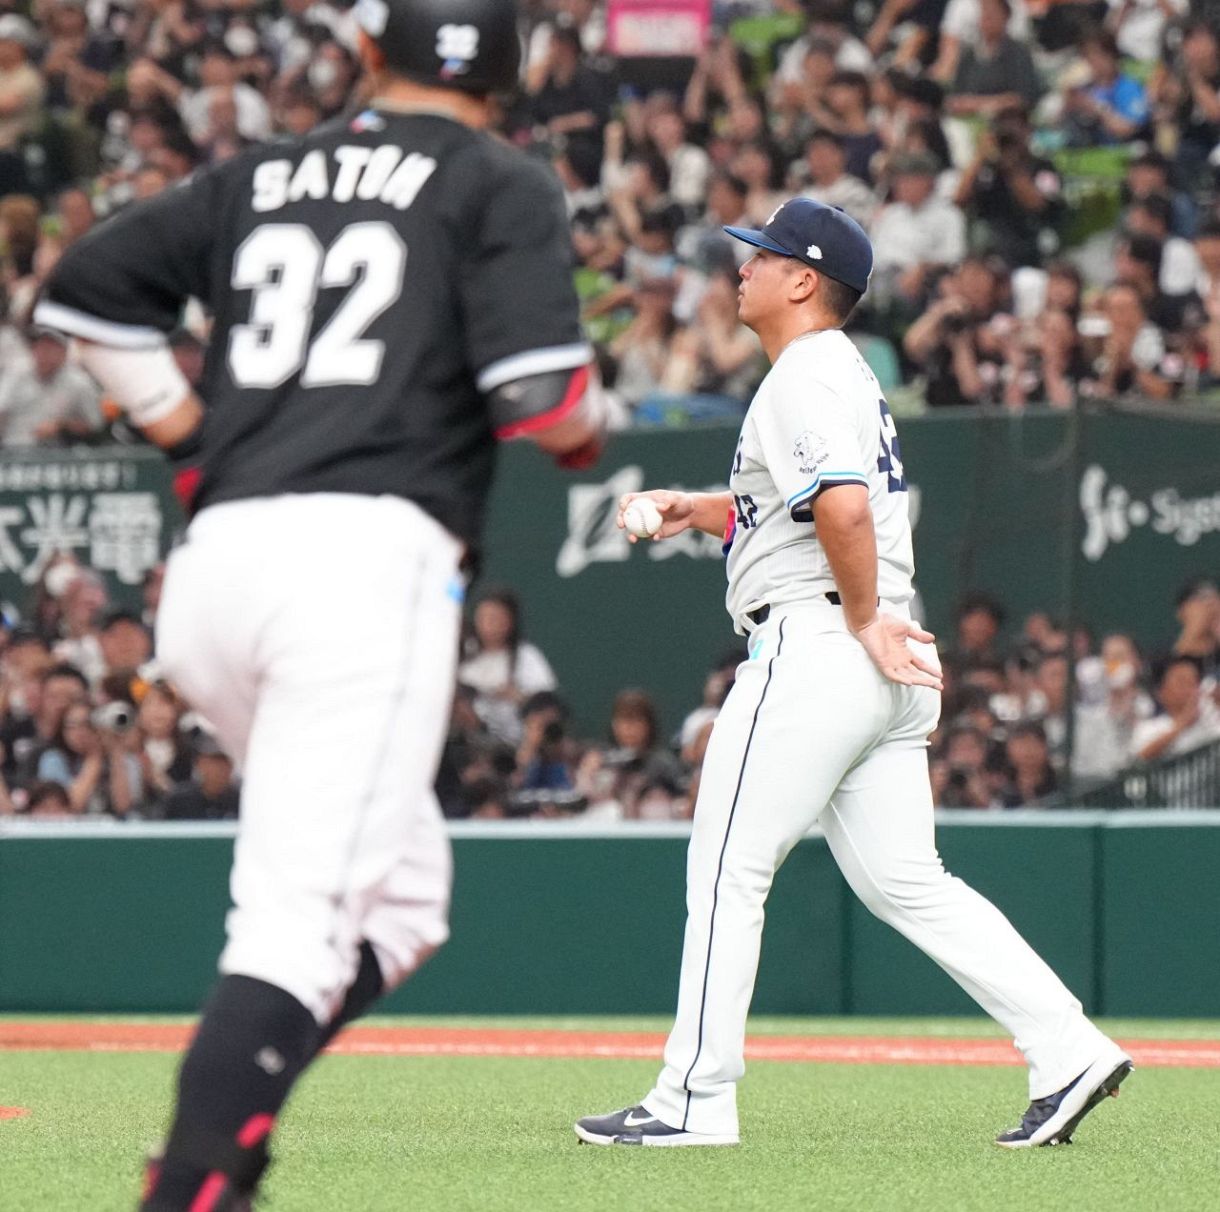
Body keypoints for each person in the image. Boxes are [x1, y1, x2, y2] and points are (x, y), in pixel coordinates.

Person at [34, 1, 606, 1206]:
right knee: (294, 923)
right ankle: (196, 1181)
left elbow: (82, 293)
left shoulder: (268, 170)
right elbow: (550, 411)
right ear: (511, 79)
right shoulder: (495, 179)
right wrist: (591, 423)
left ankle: (231, 1140)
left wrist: (189, 434)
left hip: (218, 564)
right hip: (360, 566)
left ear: (364, 55)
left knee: (400, 899)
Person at [575, 197, 1130, 1150]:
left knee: (726, 869)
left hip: (827, 644)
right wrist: (699, 510)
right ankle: (1067, 1045)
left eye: (760, 256)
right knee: (907, 880)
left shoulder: (805, 370)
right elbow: (801, 509)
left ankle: (692, 1099)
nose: (740, 267)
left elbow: (838, 506)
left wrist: (865, 620)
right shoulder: (837, 376)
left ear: (804, 279)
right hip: (875, 654)